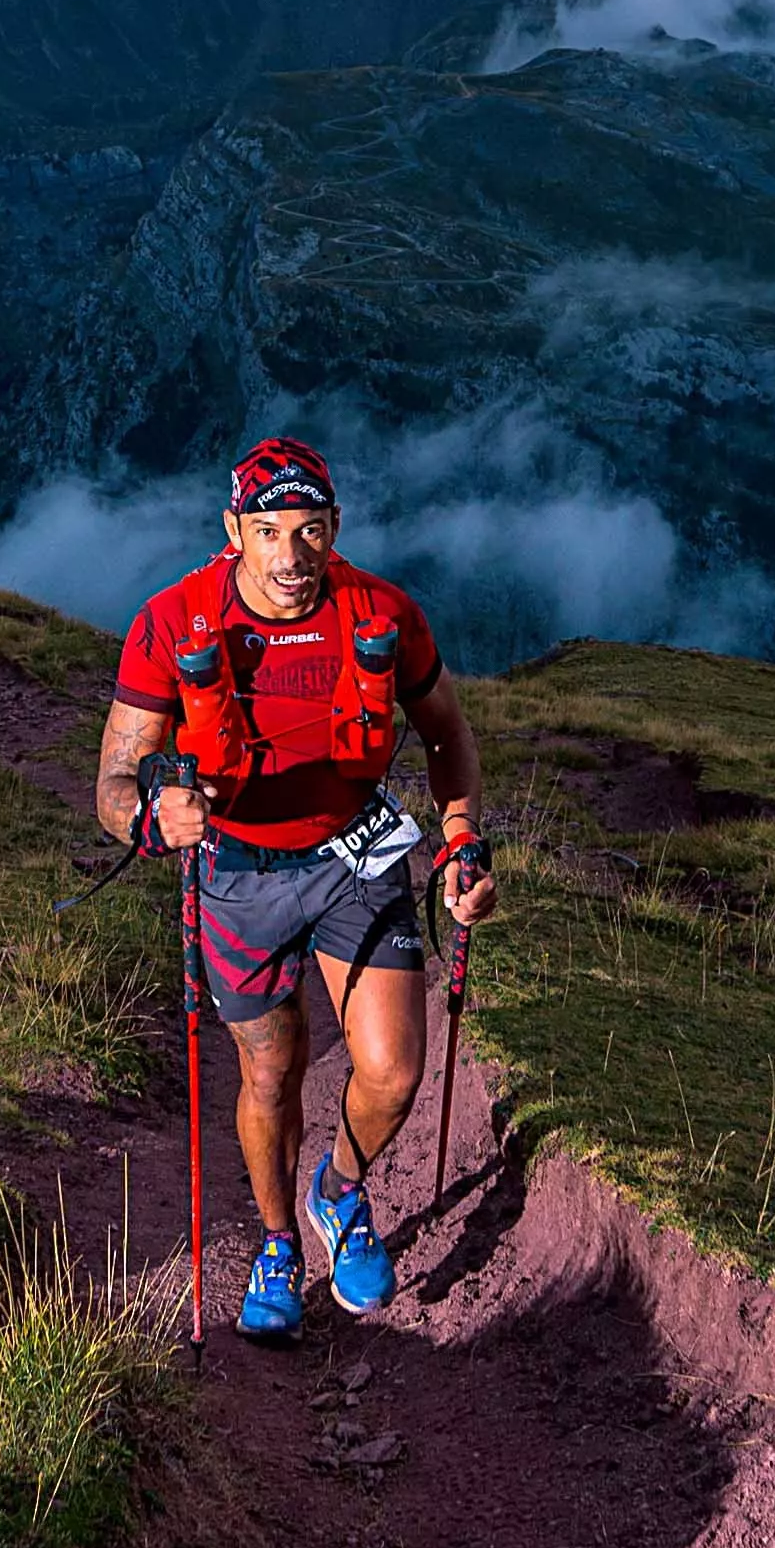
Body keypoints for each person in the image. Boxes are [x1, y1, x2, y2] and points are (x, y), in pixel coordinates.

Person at [96, 435, 499, 1337]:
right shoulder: (171, 622)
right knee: (270, 1073)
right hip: (238, 873)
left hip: (356, 856)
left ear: (335, 527)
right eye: (270, 531)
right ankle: (277, 1242)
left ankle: (339, 1191)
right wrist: (149, 822)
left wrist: (461, 841)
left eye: (310, 530)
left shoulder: (382, 612)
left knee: (392, 1072)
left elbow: (446, 735)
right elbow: (112, 786)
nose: (291, 557)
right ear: (233, 529)